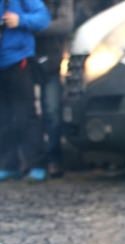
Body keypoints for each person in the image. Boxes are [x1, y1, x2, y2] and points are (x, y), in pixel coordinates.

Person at [0, 0, 50, 182]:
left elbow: (43, 18)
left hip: (18, 60)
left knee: (26, 114)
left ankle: (36, 164)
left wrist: (20, 20)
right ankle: (7, 165)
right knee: (3, 117)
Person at [34, 0, 75, 178]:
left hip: (51, 61)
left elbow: (65, 24)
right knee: (26, 114)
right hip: (25, 58)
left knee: (52, 111)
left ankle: (53, 158)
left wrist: (29, 25)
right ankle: (33, 160)